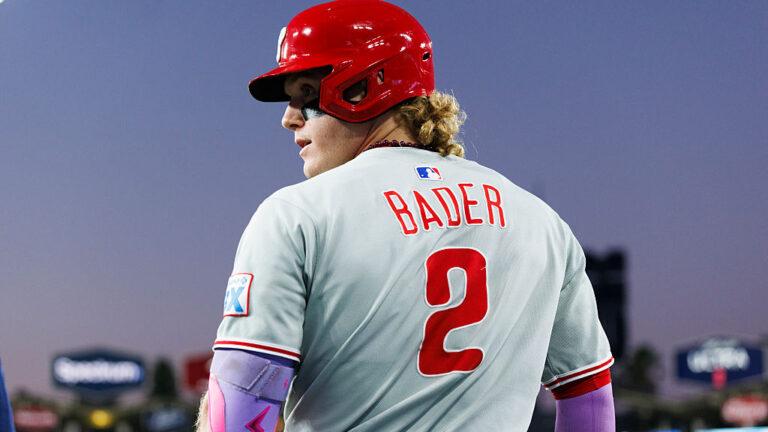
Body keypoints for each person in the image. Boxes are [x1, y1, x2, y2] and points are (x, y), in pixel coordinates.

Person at [198, 1, 615, 431]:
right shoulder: (542, 222)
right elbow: (589, 399)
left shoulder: (295, 215)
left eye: (306, 94)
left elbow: (242, 398)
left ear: (362, 88)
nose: (289, 118)